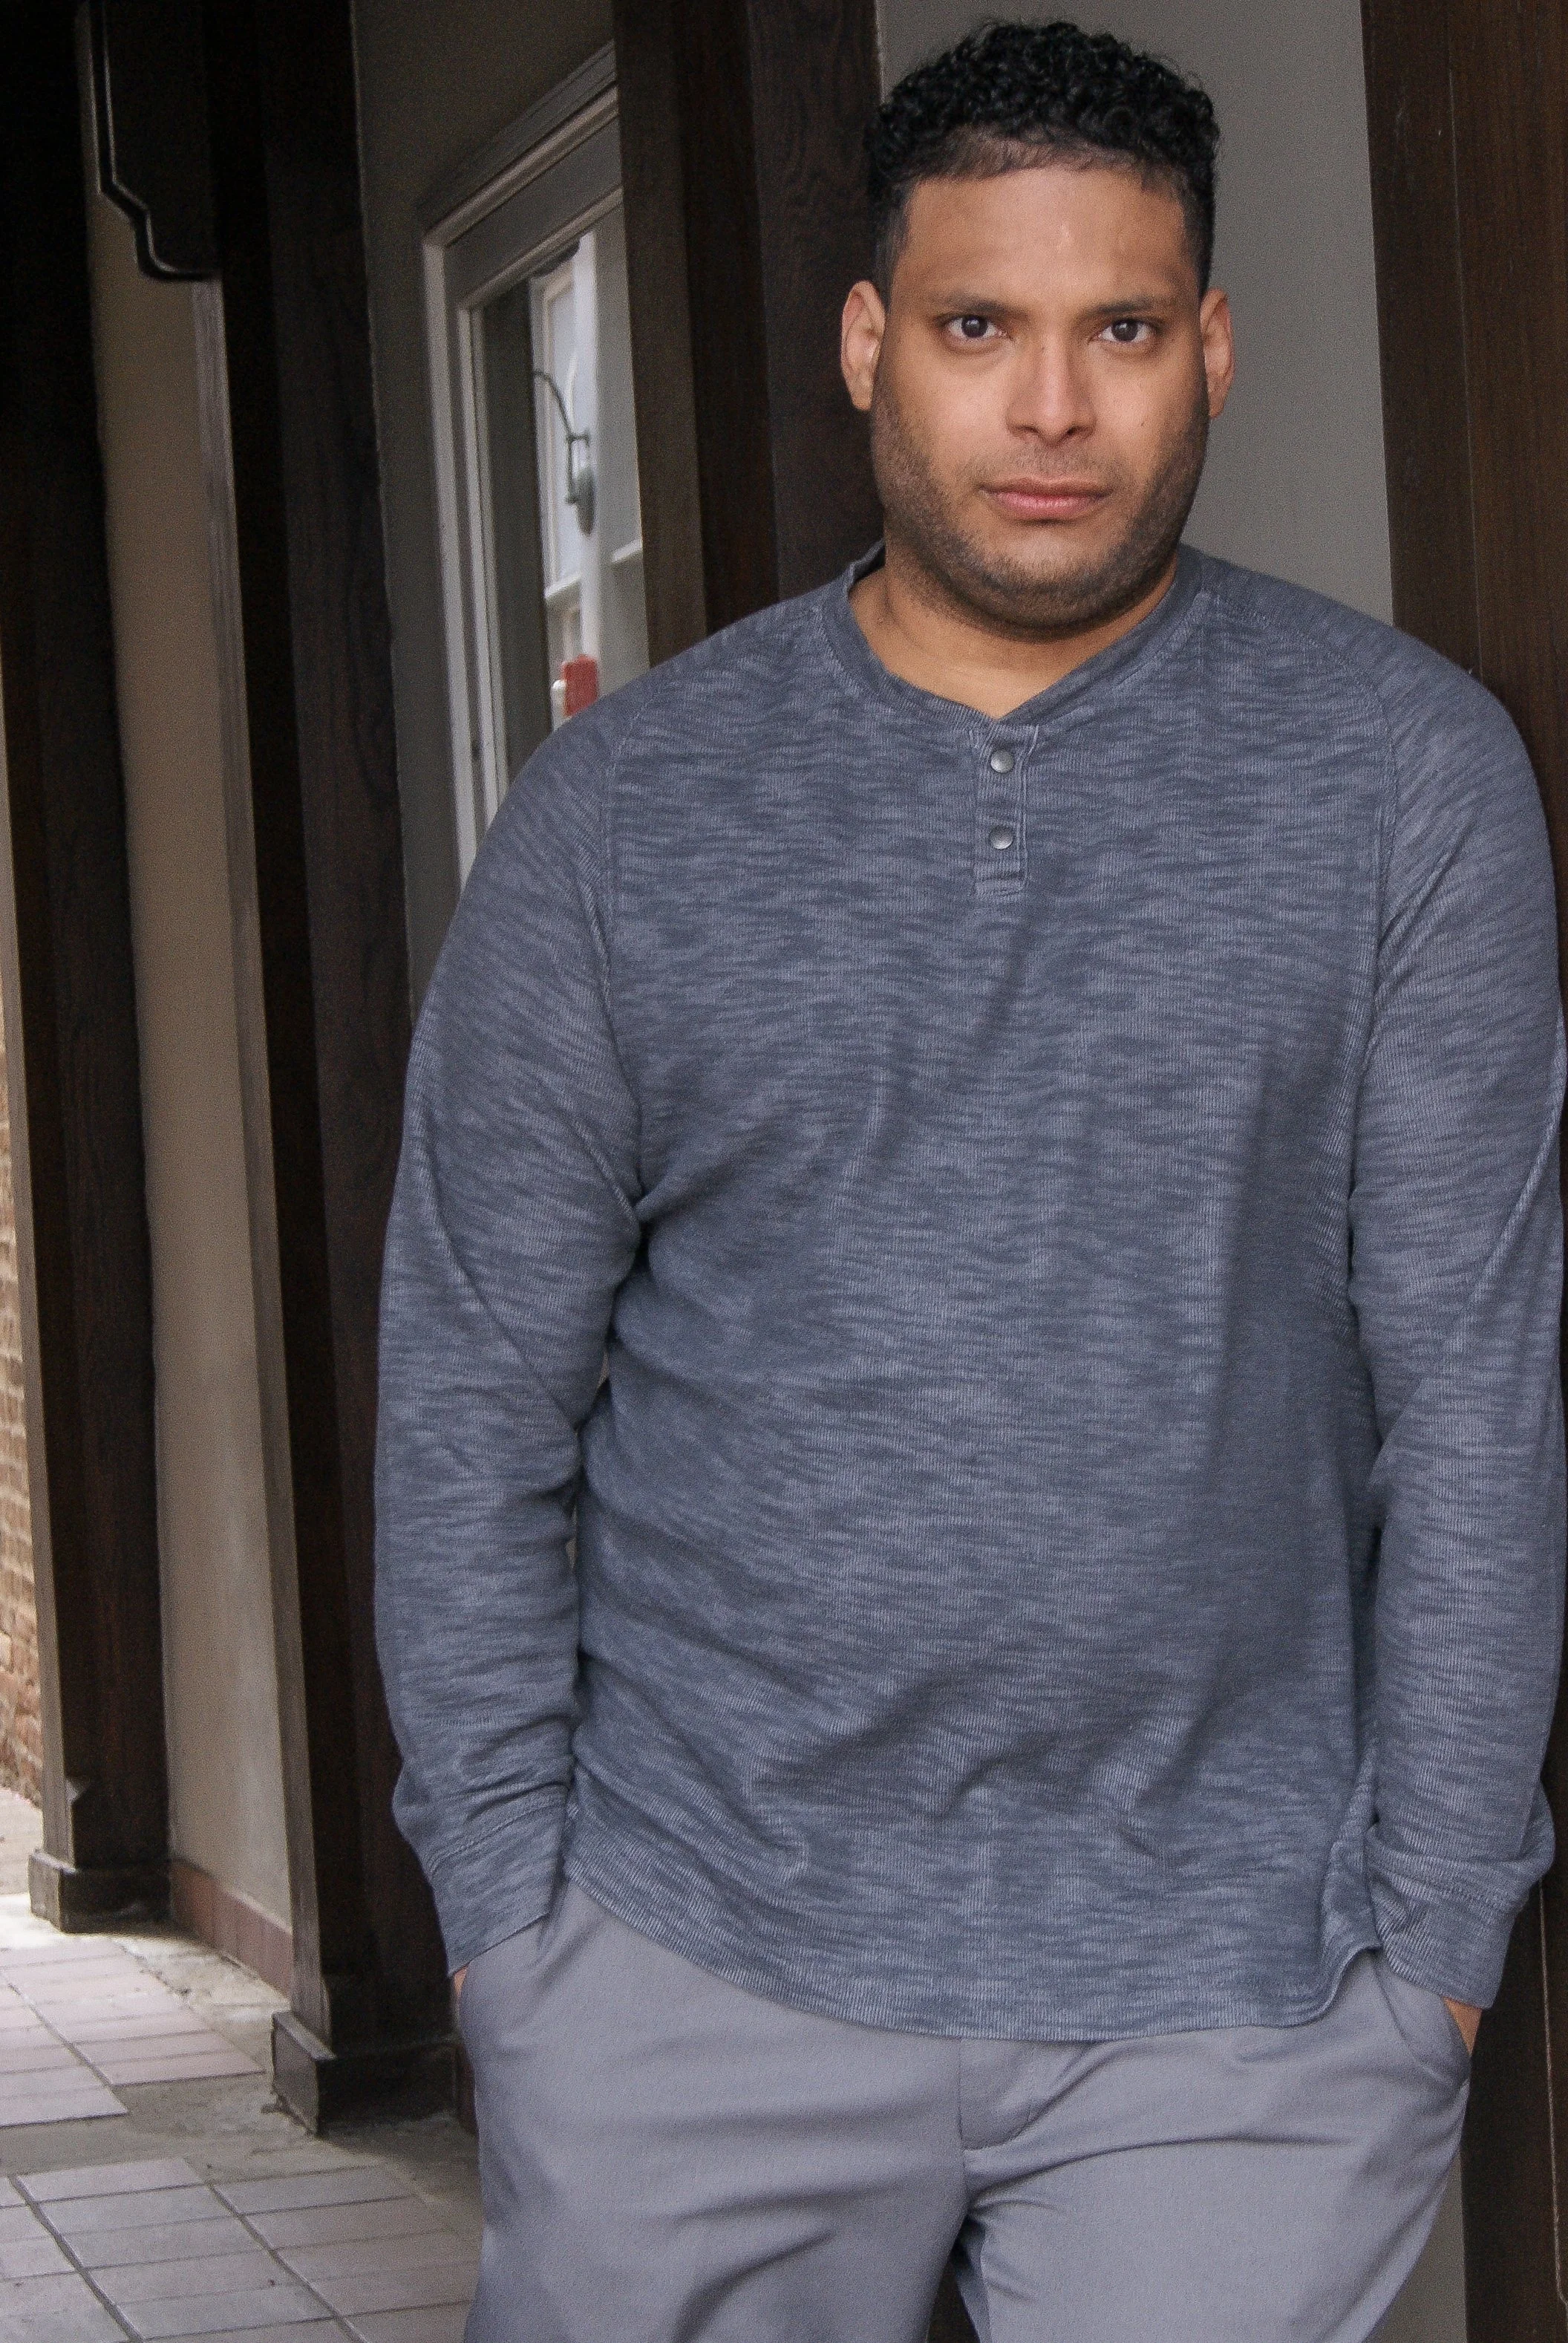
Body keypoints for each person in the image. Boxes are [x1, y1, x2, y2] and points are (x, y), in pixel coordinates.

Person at [373, 20, 1566, 2341]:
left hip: (1236, 2003)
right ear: (867, 346)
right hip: (691, 1964)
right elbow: (472, 1400)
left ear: (1209, 346)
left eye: (1119, 328)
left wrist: (1434, 1949)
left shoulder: (1407, 784)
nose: (1050, 410)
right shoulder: (631, 823)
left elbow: (1483, 1402)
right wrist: (512, 1929)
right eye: (978, 327)